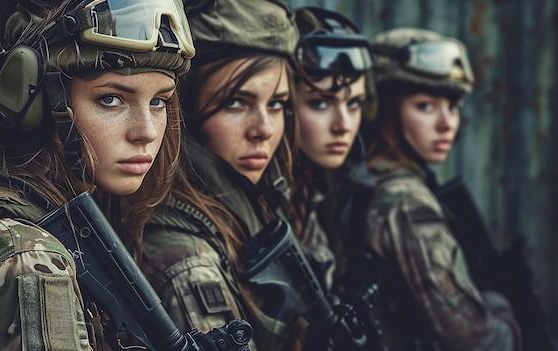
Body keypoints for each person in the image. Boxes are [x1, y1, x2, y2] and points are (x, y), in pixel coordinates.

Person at [0, 0, 191, 349]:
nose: (146, 131)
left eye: (159, 101)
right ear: (33, 100)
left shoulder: (23, 215)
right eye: (111, 99)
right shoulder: (28, 260)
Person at [140, 0, 309, 350]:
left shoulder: (259, 206)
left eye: (276, 104)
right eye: (236, 103)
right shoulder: (187, 258)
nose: (263, 129)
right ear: (183, 109)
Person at [361, 27, 522, 350]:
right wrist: (503, 312)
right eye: (425, 106)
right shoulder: (406, 200)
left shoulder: (367, 178)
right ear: (386, 111)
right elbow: (474, 338)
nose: (447, 123)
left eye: (453, 106)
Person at [290, 6, 377, 297]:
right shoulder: (271, 199)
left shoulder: (339, 185)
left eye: (354, 103)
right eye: (320, 103)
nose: (343, 126)